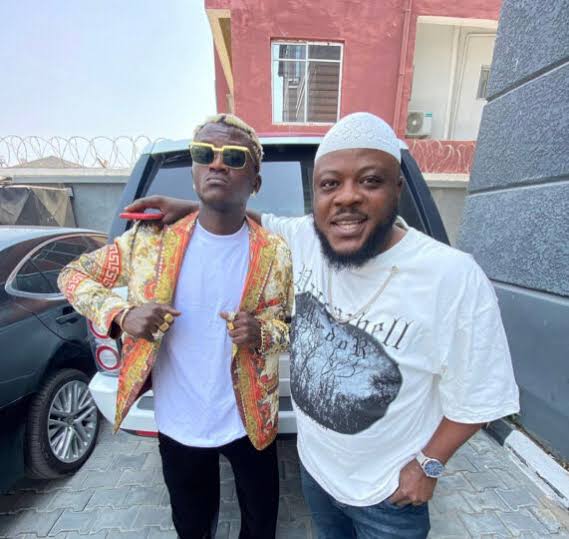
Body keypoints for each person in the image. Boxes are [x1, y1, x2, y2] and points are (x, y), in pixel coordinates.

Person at [126, 112, 519, 539]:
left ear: (398, 188)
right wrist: (189, 208)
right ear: (316, 194)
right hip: (317, 476)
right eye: (330, 184)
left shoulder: (452, 276)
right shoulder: (306, 237)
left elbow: (481, 396)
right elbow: (246, 218)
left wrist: (428, 466)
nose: (347, 197)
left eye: (370, 181)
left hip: (388, 494)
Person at [58, 114, 294, 539]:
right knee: (191, 527)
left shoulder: (274, 251)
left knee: (260, 528)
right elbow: (72, 276)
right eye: (204, 154)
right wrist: (122, 314)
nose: (217, 164)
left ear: (255, 183)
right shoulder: (149, 241)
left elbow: (289, 326)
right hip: (179, 422)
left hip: (250, 419)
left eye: (234, 157)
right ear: (194, 171)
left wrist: (263, 333)